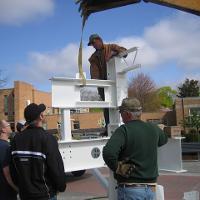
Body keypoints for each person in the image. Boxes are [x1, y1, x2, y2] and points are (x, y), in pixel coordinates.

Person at [103, 98, 168, 200]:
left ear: (127, 114)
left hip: (131, 190)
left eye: (121, 112)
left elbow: (108, 153)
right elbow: (163, 140)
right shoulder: (153, 128)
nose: (121, 115)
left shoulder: (124, 130)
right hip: (151, 189)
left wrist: (118, 168)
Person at [10, 103, 66, 200]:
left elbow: (13, 169)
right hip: (45, 195)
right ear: (41, 116)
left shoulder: (16, 139)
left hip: (25, 194)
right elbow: (56, 168)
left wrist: (20, 187)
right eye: (43, 113)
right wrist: (61, 187)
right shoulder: (48, 139)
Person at [88, 34, 127, 135]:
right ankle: (108, 127)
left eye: (94, 42)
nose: (93, 45)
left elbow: (124, 51)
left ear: (99, 40)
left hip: (115, 81)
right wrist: (96, 82)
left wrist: (113, 53)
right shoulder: (93, 57)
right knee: (106, 106)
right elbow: (94, 73)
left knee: (119, 103)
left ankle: (124, 125)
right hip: (103, 84)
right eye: (92, 44)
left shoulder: (111, 47)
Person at [0, 120, 18, 200]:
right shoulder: (4, 147)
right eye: (8, 124)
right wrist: (16, 188)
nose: (10, 125)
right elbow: (7, 173)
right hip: (6, 192)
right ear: (3, 129)